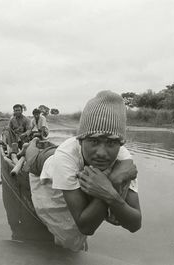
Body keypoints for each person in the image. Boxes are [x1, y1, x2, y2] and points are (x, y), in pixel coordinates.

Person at [26, 90, 142, 251]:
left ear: (120, 144)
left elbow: (135, 224)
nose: (102, 152)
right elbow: (85, 227)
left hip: (67, 157)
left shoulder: (124, 161)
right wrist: (112, 186)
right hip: (43, 163)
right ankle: (30, 144)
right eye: (94, 140)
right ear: (80, 140)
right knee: (32, 153)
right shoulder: (65, 156)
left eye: (111, 143)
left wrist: (111, 189)